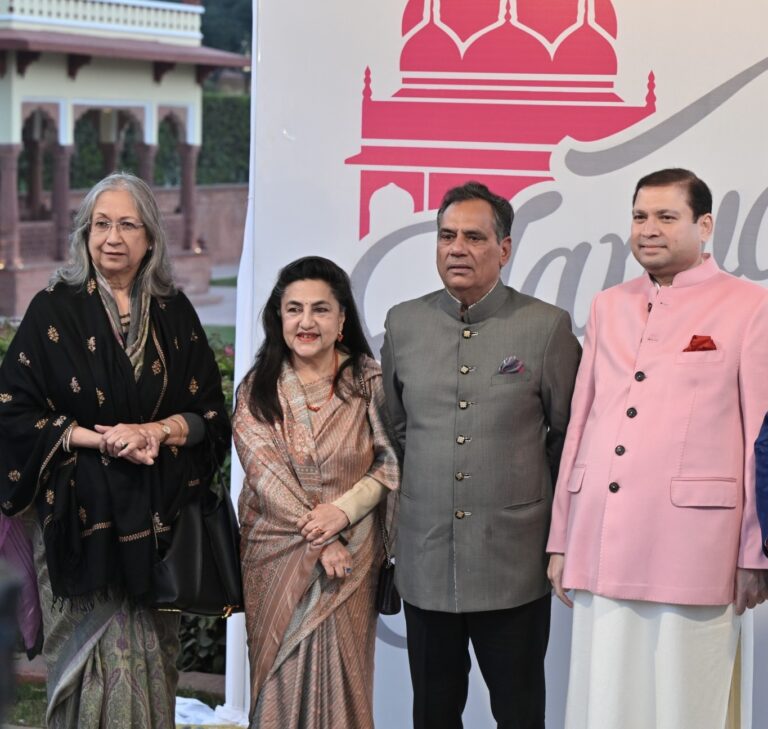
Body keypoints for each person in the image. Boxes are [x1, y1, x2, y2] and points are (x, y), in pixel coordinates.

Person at [0, 172, 230, 728]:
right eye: (101, 224)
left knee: (152, 665)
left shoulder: (174, 313)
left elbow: (209, 415)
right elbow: (12, 411)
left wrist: (155, 432)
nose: (112, 237)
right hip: (78, 523)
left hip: (156, 523)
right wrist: (99, 438)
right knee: (83, 670)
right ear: (84, 234)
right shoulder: (53, 311)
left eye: (128, 225)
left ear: (150, 238)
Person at [547, 168, 768, 729]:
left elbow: (760, 437)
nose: (648, 229)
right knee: (602, 700)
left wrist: (755, 551)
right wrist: (561, 537)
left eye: (667, 217)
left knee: (685, 706)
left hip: (697, 544)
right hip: (601, 536)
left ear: (705, 225)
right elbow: (582, 424)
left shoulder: (750, 306)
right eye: (640, 216)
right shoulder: (608, 305)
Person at [381, 181, 581, 729]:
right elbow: (397, 428)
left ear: (504, 248)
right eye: (446, 236)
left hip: (512, 561)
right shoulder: (404, 323)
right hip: (426, 558)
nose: (457, 249)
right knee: (433, 712)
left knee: (519, 712)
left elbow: (567, 436)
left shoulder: (546, 326)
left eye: (473, 237)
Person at [232, 256, 400, 729]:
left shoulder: (368, 381)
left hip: (353, 555)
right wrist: (321, 540)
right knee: (279, 679)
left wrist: (341, 515)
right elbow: (263, 473)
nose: (306, 322)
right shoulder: (258, 389)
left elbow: (391, 462)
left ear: (342, 318)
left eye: (320, 309)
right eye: (294, 309)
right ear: (279, 318)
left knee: (346, 677)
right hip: (276, 554)